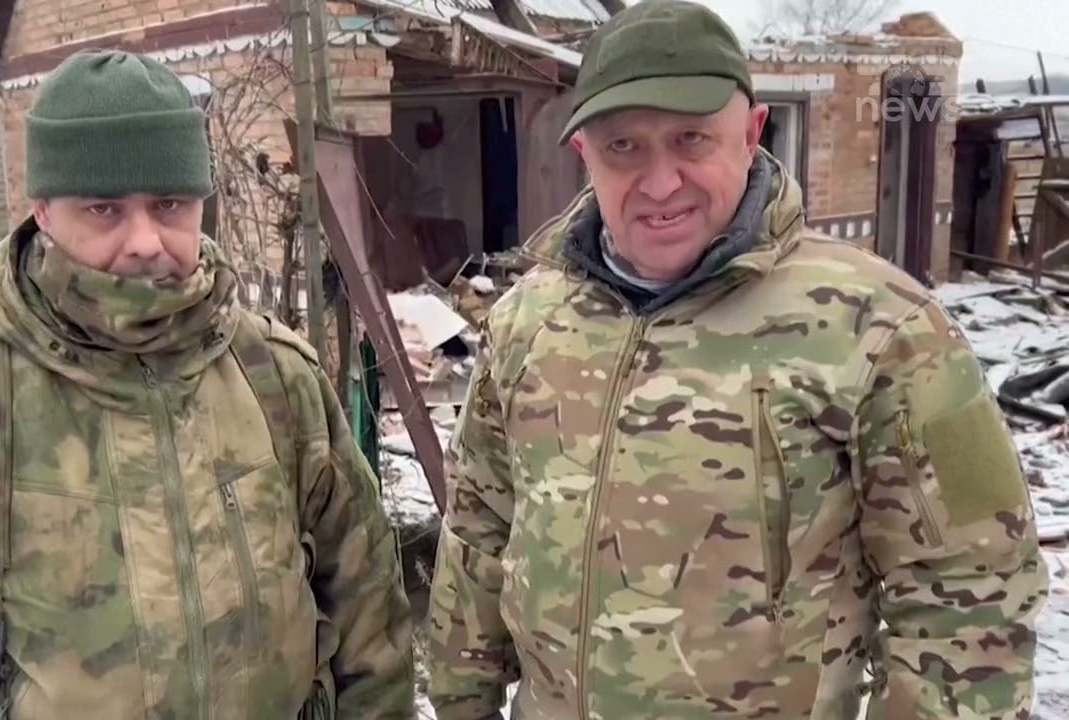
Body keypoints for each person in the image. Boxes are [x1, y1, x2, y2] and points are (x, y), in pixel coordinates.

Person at [425, 2, 1049, 718]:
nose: (661, 183)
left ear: (752, 134)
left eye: (691, 139)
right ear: (584, 155)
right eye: (624, 146)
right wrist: (461, 702)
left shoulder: (883, 329)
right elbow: (479, 529)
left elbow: (971, 595)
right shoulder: (528, 322)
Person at [0, 49, 414, 719]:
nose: (145, 240)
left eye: (169, 203)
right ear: (43, 210)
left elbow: (368, 623)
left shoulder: (276, 379)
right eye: (104, 209)